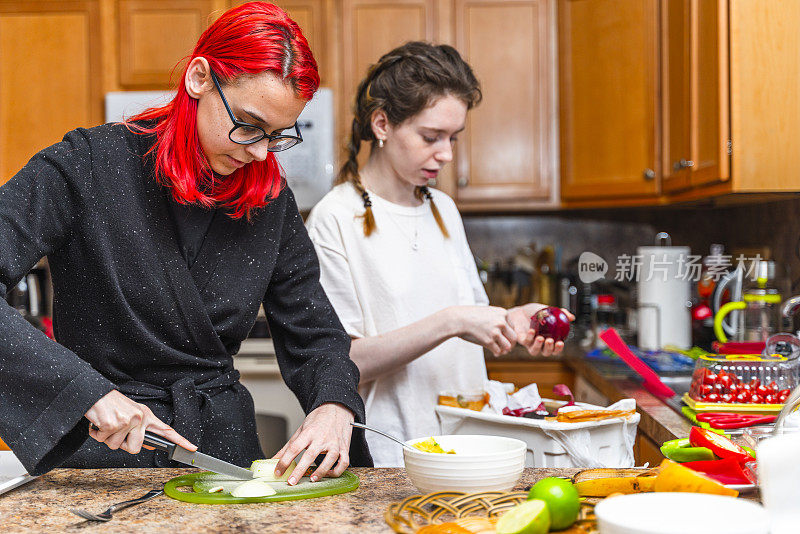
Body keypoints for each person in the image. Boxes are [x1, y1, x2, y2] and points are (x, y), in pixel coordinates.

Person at [0, 1, 370, 482]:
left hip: (222, 455)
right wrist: (84, 392)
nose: (259, 152)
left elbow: (315, 333)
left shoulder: (270, 198)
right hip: (103, 455)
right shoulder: (84, 165)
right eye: (249, 124)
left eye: (277, 136)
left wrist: (335, 404)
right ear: (199, 78)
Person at [305, 42, 572, 466]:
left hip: (469, 444)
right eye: (431, 137)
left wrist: (513, 322)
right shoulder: (334, 219)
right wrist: (451, 320)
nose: (446, 154)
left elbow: (470, 323)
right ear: (382, 124)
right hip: (394, 453)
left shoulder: (442, 208)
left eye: (453, 137)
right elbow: (343, 361)